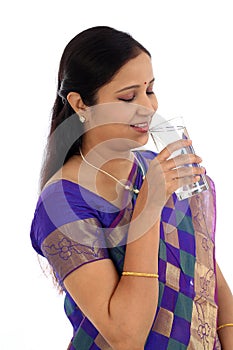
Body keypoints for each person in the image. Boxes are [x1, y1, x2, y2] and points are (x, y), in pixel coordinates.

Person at [30, 26, 233, 349]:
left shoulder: (158, 168)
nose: (148, 107)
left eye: (149, 90)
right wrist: (150, 205)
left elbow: (207, 275)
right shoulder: (62, 205)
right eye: (128, 97)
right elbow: (127, 336)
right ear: (81, 104)